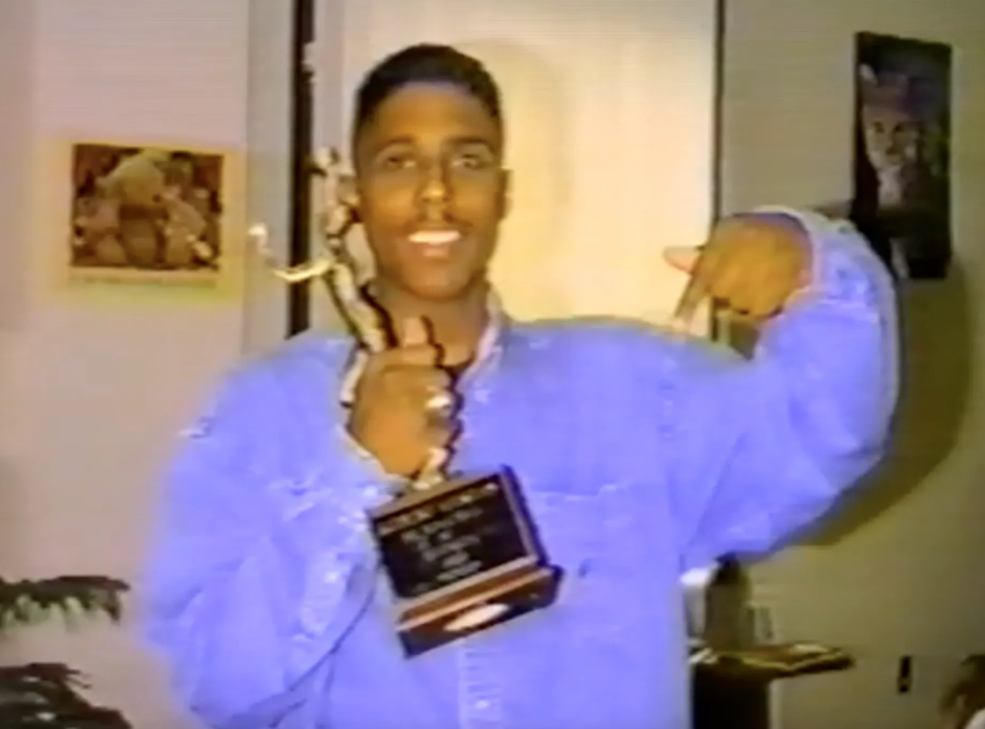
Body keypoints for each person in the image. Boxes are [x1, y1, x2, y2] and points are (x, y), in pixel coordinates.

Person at [141, 44, 898, 729]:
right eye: (399, 161)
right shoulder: (260, 412)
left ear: (502, 192)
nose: (435, 193)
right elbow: (221, 683)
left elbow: (824, 442)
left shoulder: (637, 389)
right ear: (352, 195)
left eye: (466, 161)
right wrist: (357, 472)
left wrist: (814, 266)